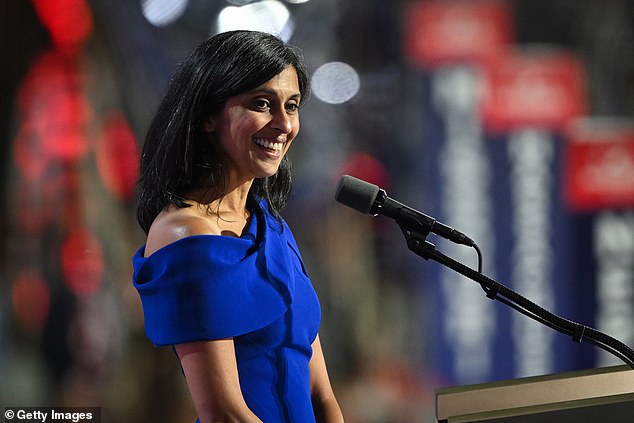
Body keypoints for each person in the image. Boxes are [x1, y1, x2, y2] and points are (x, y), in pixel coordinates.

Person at [132, 30, 344, 423]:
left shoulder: (272, 228)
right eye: (262, 104)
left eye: (292, 106)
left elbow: (322, 394)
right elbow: (224, 411)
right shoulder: (185, 236)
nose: (283, 124)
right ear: (208, 116)